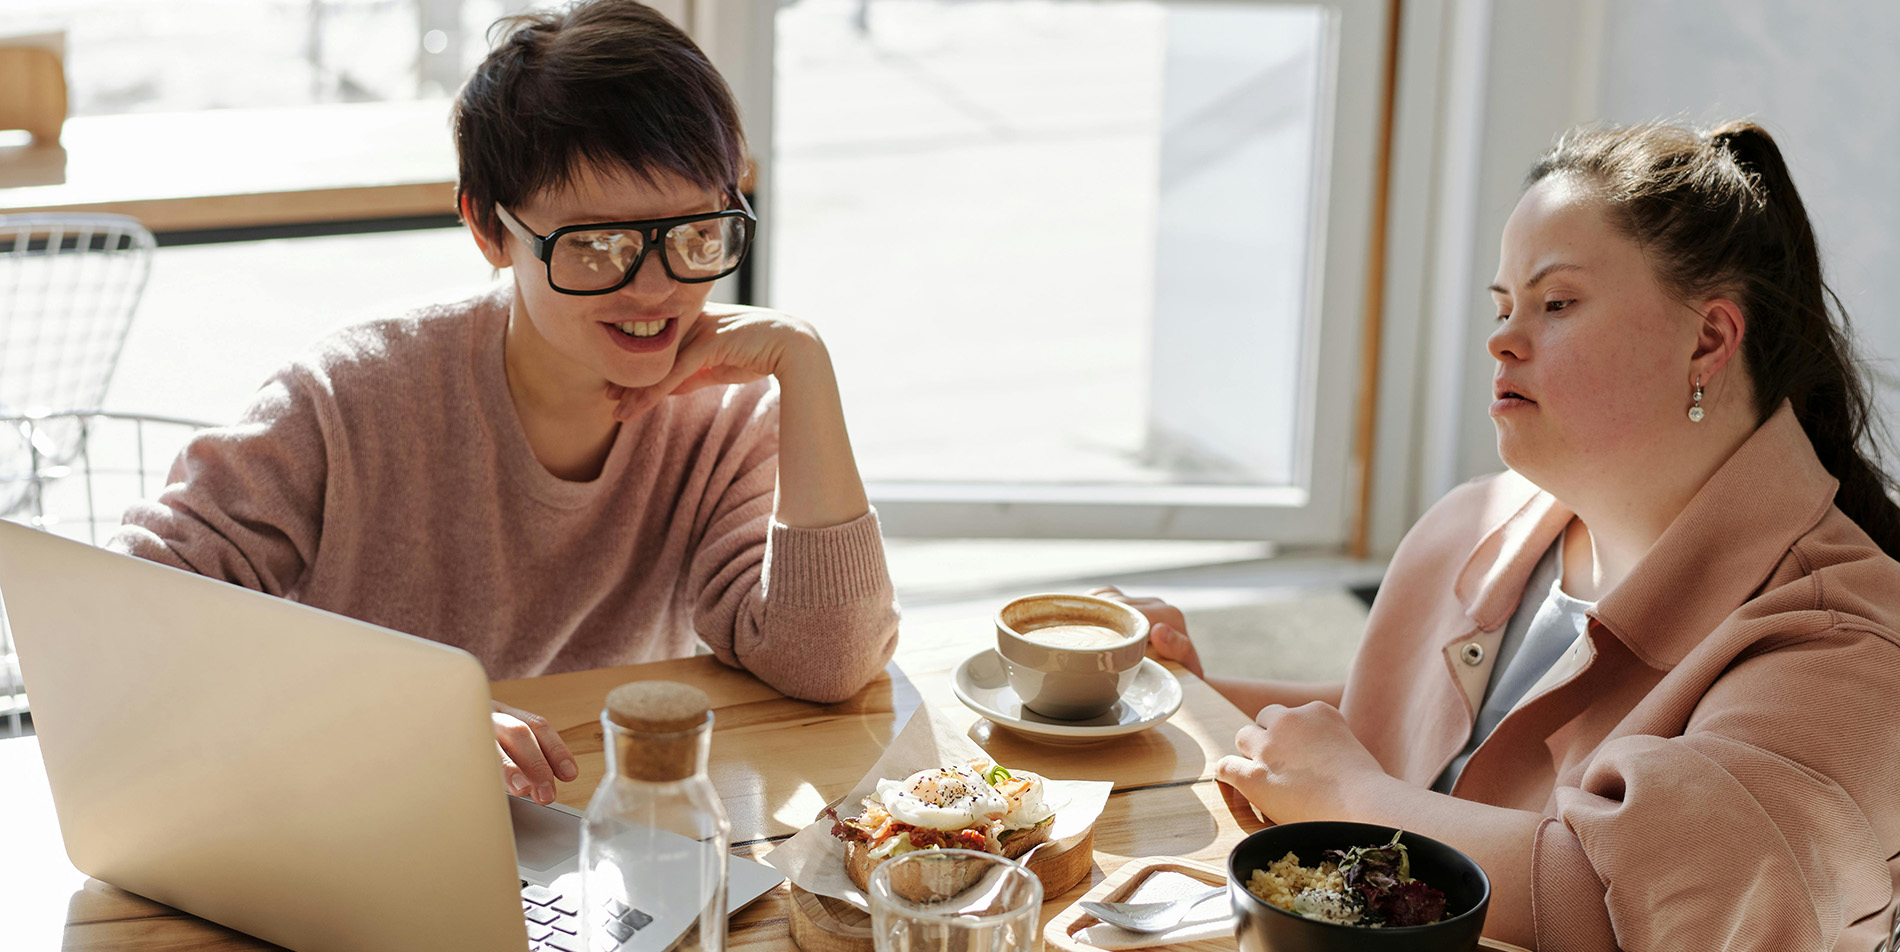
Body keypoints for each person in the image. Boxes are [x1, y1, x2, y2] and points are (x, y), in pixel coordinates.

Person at [1099, 121, 1900, 950]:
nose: (1501, 340)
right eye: (1503, 305)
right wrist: (1187, 693)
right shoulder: (1474, 525)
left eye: (1555, 304)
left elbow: (1642, 903)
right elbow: (1393, 739)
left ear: (1707, 341)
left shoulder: (1843, 648)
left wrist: (1350, 799)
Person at [111, 0, 900, 808]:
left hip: (600, 832)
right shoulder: (351, 393)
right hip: (359, 812)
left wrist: (805, 367)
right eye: (598, 245)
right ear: (489, 229)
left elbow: (828, 664)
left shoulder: (724, 416)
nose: (659, 286)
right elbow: (129, 613)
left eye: (697, 232)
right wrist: (407, 716)